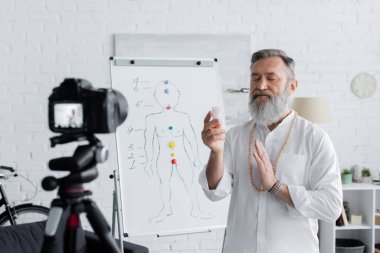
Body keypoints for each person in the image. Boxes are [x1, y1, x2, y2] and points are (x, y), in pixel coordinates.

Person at [199, 49, 342, 253]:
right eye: (255, 78)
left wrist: (276, 187)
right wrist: (215, 152)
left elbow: (331, 206)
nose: (261, 86)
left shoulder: (315, 139)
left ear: (292, 86)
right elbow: (214, 191)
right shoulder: (235, 136)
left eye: (271, 78)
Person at [144, 80, 212, 223]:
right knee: (164, 183)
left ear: (178, 96)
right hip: (163, 157)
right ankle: (166, 208)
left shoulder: (183, 117)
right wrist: (149, 161)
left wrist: (195, 157)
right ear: (156, 98)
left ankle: (196, 209)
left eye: (171, 95)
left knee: (190, 182)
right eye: (162, 96)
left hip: (182, 156)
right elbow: (148, 142)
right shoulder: (152, 119)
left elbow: (191, 139)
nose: (167, 100)